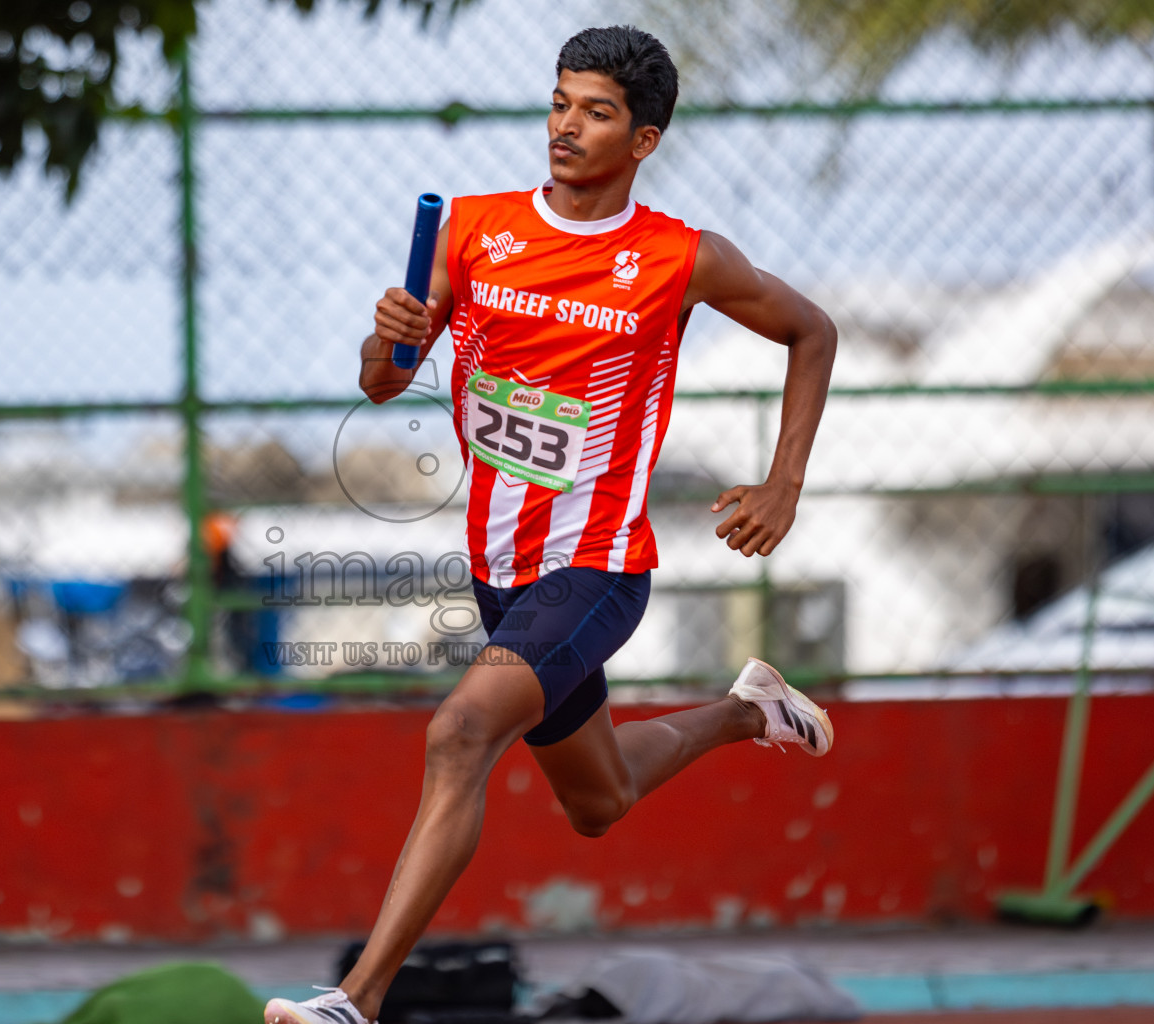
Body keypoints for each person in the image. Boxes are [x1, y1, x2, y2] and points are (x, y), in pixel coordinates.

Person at [266, 25, 837, 1024]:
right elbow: (383, 381)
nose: (567, 126)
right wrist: (386, 340)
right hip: (500, 571)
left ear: (643, 140)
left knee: (459, 732)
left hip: (598, 566)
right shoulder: (474, 233)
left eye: (597, 111)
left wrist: (783, 481)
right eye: (561, 102)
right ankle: (751, 710)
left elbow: (810, 330)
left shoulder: (679, 257)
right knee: (599, 802)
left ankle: (354, 1001)